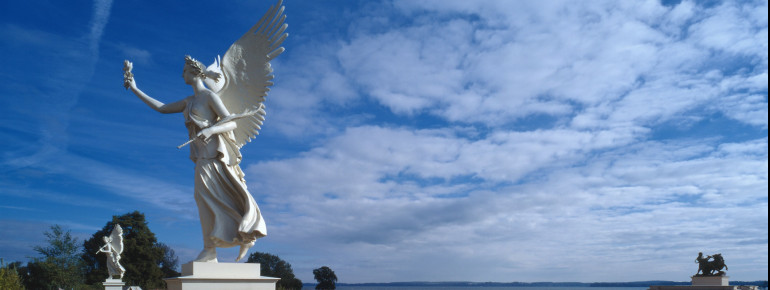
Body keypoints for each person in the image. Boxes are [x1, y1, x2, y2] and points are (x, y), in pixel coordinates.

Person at [125, 56, 266, 262]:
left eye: (184, 71)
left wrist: (211, 129)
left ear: (194, 72)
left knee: (223, 197)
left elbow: (231, 123)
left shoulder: (209, 96)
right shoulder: (188, 101)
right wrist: (135, 89)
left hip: (215, 157)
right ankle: (211, 248)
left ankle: (240, 237)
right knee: (203, 200)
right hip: (201, 158)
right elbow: (162, 108)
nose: (182, 74)